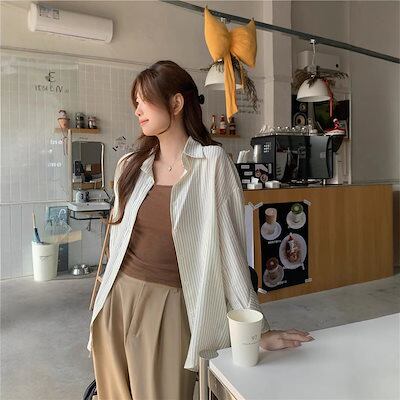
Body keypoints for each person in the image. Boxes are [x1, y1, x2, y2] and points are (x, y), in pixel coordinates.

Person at [87, 60, 314, 400]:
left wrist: (256, 330)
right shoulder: (129, 166)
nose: (137, 110)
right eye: (135, 102)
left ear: (176, 103)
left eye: (145, 100)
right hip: (115, 302)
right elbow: (117, 245)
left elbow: (231, 255)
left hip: (168, 307)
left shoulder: (212, 165)